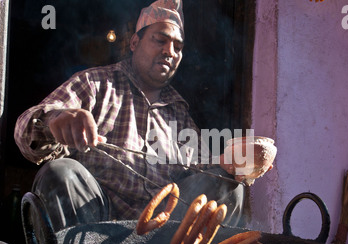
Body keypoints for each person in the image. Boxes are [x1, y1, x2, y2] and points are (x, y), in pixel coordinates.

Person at [14, 0, 262, 232]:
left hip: (161, 239)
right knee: (60, 172)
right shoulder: (96, 84)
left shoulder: (178, 112)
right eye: (160, 40)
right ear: (134, 43)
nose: (170, 51)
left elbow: (201, 171)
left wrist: (230, 164)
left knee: (228, 185)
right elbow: (25, 131)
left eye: (178, 46)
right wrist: (54, 120)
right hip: (94, 227)